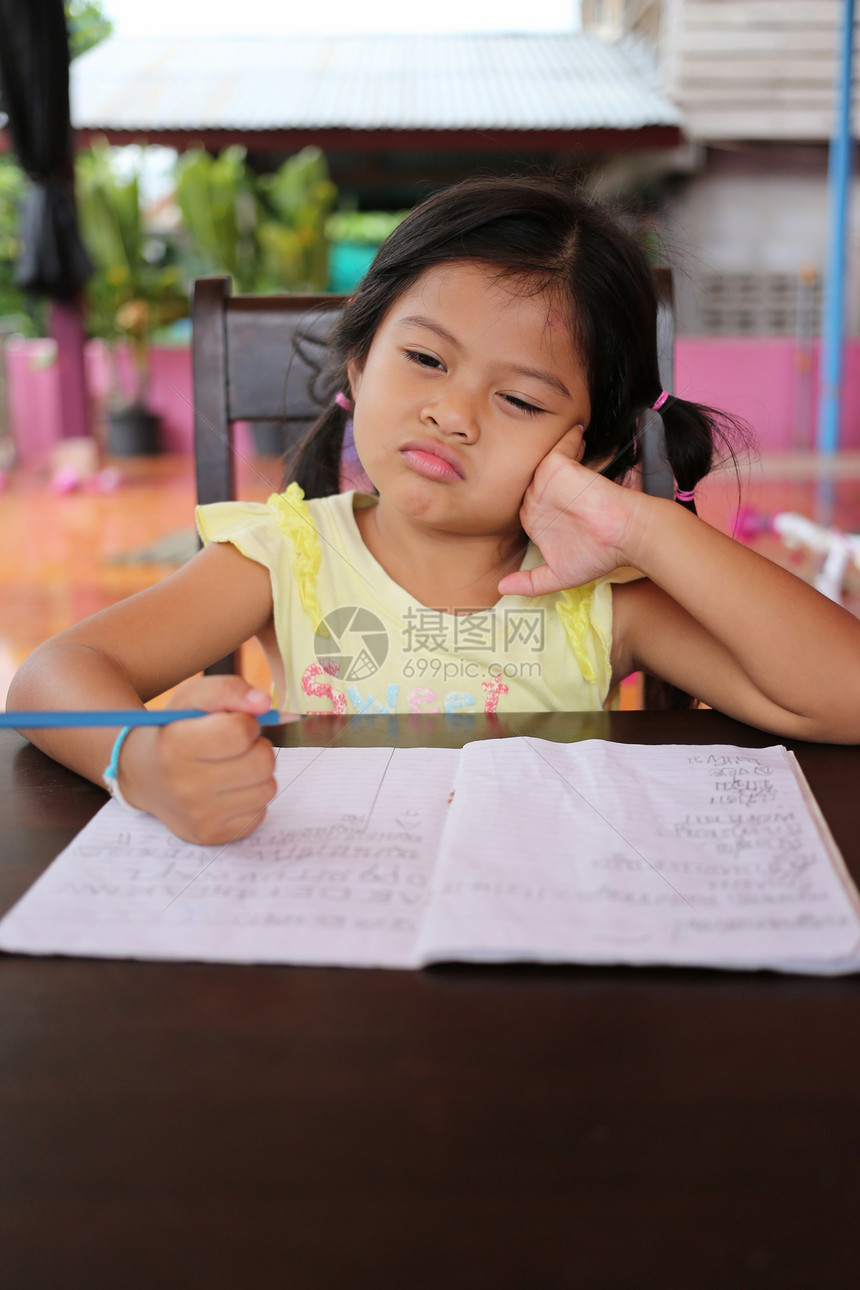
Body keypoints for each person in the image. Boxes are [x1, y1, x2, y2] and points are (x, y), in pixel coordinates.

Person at [8, 176, 860, 844]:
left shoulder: (605, 600)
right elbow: (49, 676)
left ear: (589, 450)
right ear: (359, 367)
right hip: (336, 923)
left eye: (521, 401)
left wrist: (644, 524)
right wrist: (142, 762)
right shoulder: (284, 559)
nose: (454, 413)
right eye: (424, 357)